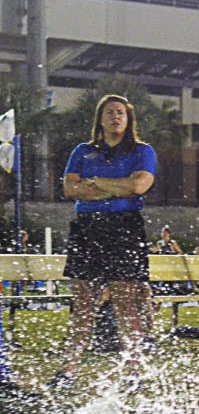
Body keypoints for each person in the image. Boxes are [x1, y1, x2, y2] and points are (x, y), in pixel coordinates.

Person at [49, 94, 157, 390]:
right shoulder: (83, 151)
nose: (115, 117)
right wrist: (116, 188)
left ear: (128, 118)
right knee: (83, 302)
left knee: (126, 302)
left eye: (120, 112)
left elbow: (138, 186)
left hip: (124, 229)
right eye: (109, 112)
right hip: (87, 229)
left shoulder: (142, 151)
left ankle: (134, 370)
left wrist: (95, 183)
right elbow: (71, 188)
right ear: (100, 118)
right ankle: (68, 369)